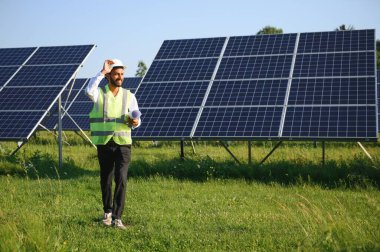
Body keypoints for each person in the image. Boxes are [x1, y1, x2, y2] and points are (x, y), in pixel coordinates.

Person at [85, 59, 141, 229]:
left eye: (122, 74)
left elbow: (137, 118)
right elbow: (88, 90)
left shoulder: (129, 95)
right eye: (116, 74)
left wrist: (135, 122)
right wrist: (101, 72)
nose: (120, 77)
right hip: (104, 143)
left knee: (121, 178)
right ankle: (107, 213)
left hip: (123, 144)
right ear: (109, 75)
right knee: (106, 179)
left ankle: (118, 218)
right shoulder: (99, 93)